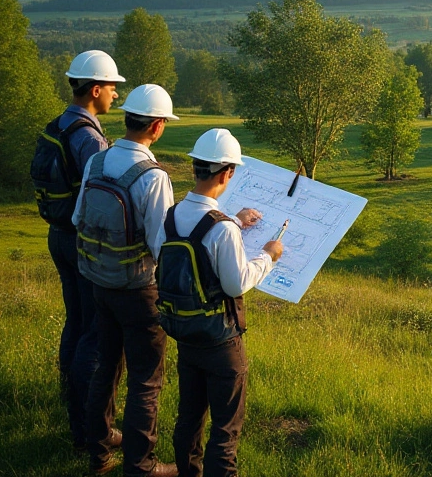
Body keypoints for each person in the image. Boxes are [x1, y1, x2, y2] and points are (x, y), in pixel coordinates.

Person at [152, 128, 281, 477]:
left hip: (186, 333)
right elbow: (236, 282)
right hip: (222, 341)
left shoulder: (169, 216)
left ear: (196, 167)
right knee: (225, 430)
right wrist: (268, 256)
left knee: (189, 418)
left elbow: (169, 253)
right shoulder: (222, 229)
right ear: (227, 173)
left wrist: (237, 222)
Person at [73, 84, 180, 477]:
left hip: (98, 283)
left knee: (106, 367)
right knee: (146, 380)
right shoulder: (152, 177)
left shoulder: (97, 163)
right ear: (156, 125)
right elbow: (161, 246)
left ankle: (98, 452)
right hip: (138, 290)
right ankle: (141, 466)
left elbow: (77, 220)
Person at [31, 49, 123, 453]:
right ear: (96, 89)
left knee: (76, 323)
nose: (117, 96)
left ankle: (72, 407)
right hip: (81, 240)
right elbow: (106, 190)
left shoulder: (60, 125)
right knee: (94, 334)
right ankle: (89, 430)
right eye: (113, 88)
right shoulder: (88, 137)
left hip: (58, 235)